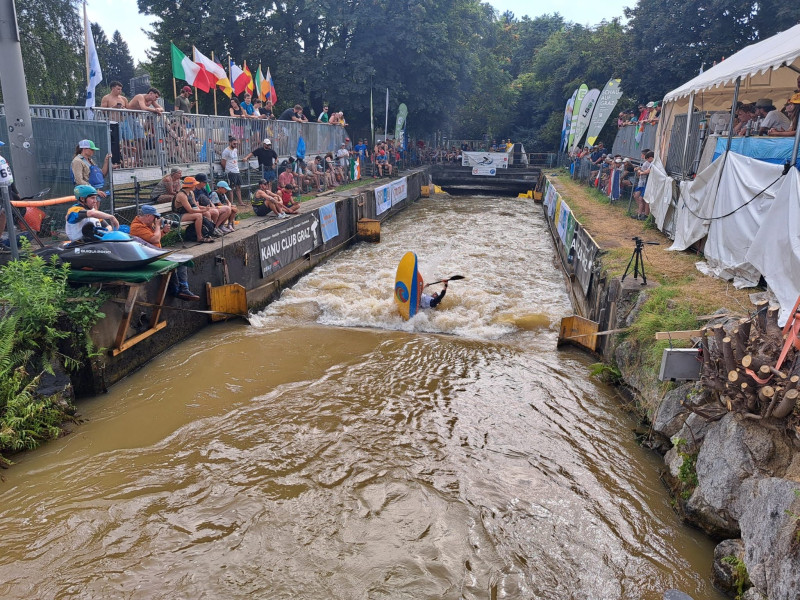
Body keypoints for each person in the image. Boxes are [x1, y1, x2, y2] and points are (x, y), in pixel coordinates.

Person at [129, 205, 200, 301]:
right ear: (148, 216)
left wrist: (163, 231)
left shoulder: (148, 224)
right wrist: (158, 226)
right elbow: (155, 239)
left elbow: (154, 239)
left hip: (154, 252)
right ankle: (177, 290)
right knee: (174, 262)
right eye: (155, 217)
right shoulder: (137, 226)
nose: (156, 219)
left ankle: (183, 288)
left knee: (182, 260)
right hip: (148, 255)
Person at [172, 176, 214, 243]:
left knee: (206, 213)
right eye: (194, 184)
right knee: (198, 216)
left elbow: (195, 206)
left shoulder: (191, 193)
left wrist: (204, 209)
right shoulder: (182, 195)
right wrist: (202, 211)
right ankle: (199, 237)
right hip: (179, 215)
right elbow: (190, 210)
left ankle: (207, 233)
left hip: (187, 213)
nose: (196, 185)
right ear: (190, 185)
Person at [220, 136, 243, 206]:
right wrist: (227, 169)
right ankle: (231, 202)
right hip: (230, 171)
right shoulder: (226, 151)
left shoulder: (235, 150)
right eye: (234, 144)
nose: (235, 145)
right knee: (231, 187)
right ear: (230, 143)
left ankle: (240, 202)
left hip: (236, 170)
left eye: (236, 144)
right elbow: (223, 162)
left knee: (238, 187)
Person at [633, 150, 654, 219]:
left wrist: (640, 172)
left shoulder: (650, 163)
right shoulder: (648, 163)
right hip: (643, 182)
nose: (641, 156)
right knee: (638, 197)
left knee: (642, 198)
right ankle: (640, 213)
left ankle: (644, 214)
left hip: (645, 183)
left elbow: (647, 171)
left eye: (642, 155)